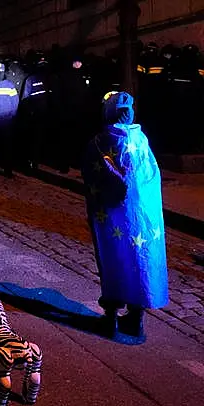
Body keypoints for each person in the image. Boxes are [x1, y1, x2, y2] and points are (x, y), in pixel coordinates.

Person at [81, 92, 169, 341]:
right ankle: (136, 317)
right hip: (141, 215)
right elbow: (152, 176)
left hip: (111, 215)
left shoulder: (100, 142)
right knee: (139, 259)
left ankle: (111, 318)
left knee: (113, 257)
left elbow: (91, 173)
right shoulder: (141, 139)